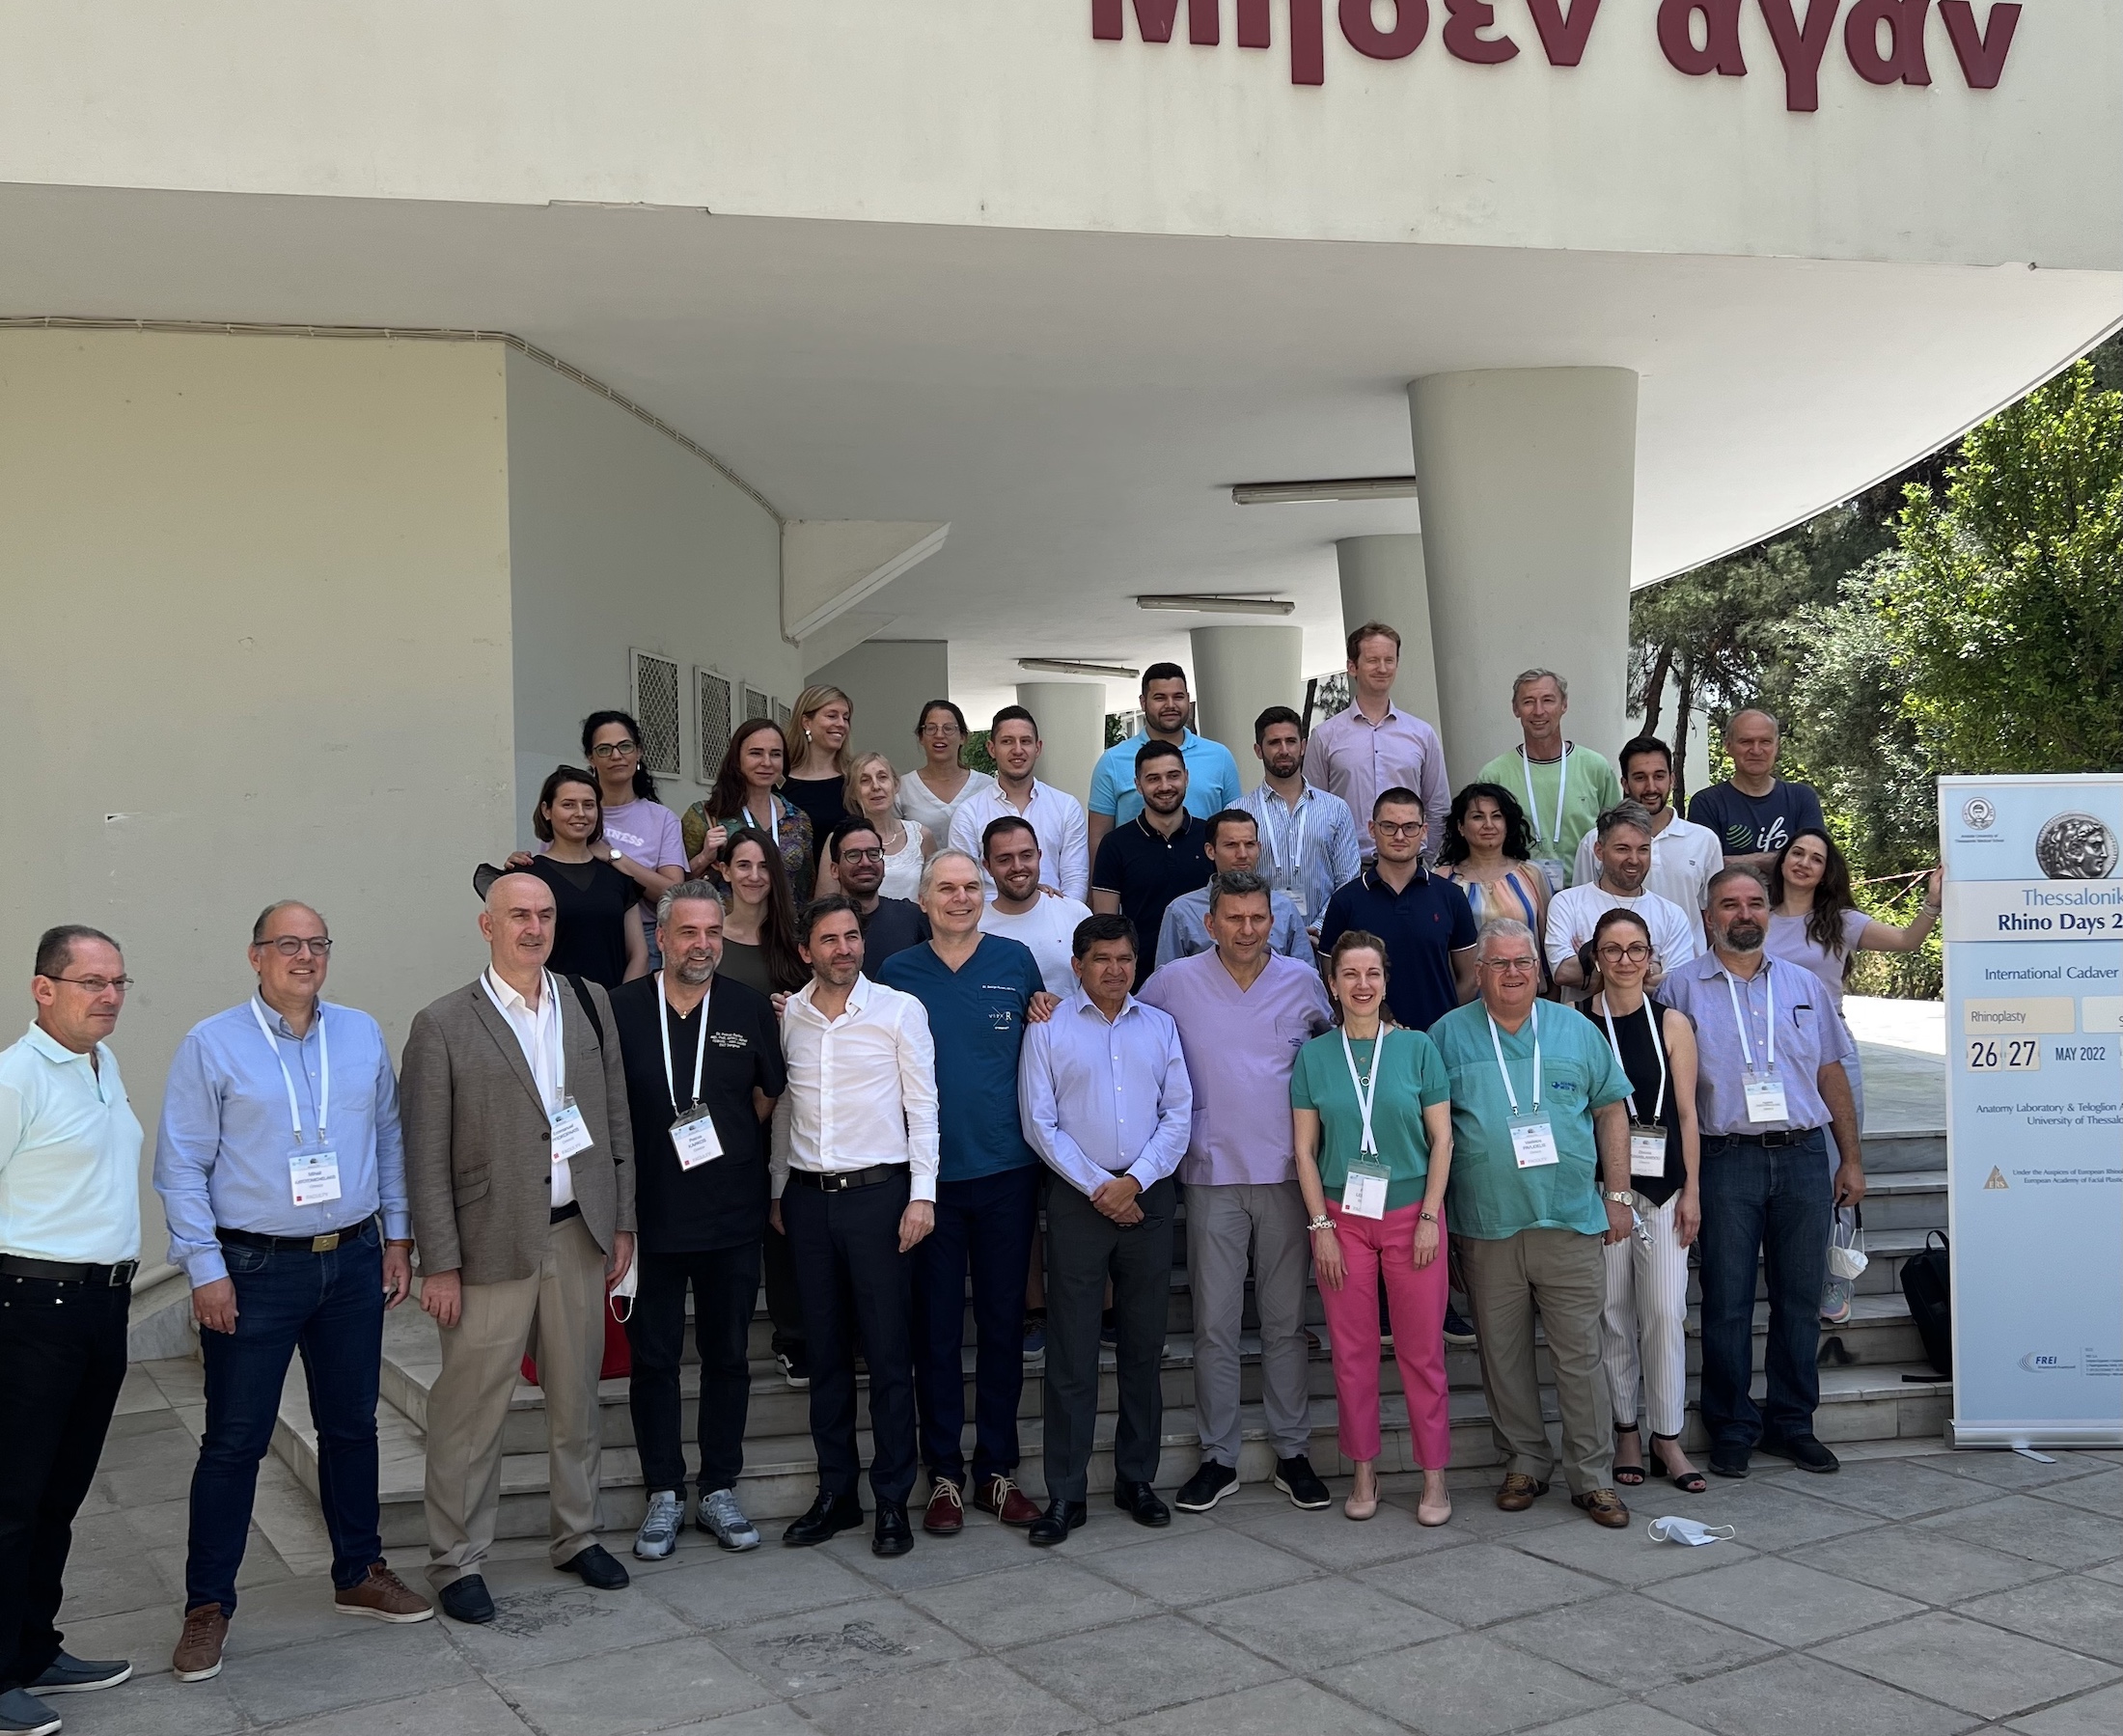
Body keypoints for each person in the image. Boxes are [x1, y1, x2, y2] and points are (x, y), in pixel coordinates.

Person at [154, 902, 429, 1684]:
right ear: (256, 955)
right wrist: (204, 1268)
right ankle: (207, 1606)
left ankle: (359, 1571)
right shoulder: (211, 1044)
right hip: (253, 1270)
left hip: (350, 1261)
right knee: (234, 1441)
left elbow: (387, 1139)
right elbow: (180, 1166)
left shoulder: (361, 1033)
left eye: (316, 944)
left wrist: (398, 1237)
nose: (304, 956)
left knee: (352, 1427)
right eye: (288, 944)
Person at [400, 873, 637, 1624]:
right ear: (487, 925)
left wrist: (622, 1221)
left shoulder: (589, 1003)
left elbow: (617, 1120)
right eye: (518, 915)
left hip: (578, 1234)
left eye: (544, 914)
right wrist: (438, 1261)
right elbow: (423, 1153)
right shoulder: (441, 1023)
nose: (533, 927)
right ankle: (457, 1557)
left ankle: (577, 1533)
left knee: (577, 1400)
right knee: (471, 1410)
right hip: (487, 1245)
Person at [1429, 919, 1636, 1529]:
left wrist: (1618, 1195)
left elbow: (1610, 1110)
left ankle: (1593, 1477)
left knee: (1581, 1357)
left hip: (1571, 1220)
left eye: (1523, 962)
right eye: (1499, 964)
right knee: (1504, 1356)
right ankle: (1524, 1460)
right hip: (1487, 1227)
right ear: (1481, 972)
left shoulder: (1576, 1030)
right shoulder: (1447, 1037)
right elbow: (1429, 1131)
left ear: (1538, 971)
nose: (1513, 973)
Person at [1140, 871, 1335, 1513]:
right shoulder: (1173, 983)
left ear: (1274, 921)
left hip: (1286, 1176)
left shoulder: (1303, 982)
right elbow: (1131, 1037)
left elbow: (1335, 1059)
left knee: (1284, 1324)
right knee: (1215, 1325)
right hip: (1210, 1174)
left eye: (1259, 917)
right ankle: (1218, 1456)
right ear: (1211, 922)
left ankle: (1292, 1449)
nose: (1248, 929)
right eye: (1235, 917)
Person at [1664, 867, 1864, 1479]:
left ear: (1769, 914)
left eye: (1754, 903)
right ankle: (1730, 1425)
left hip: (1804, 1156)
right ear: (1708, 917)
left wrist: (1850, 1157)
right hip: (1727, 1162)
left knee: (1799, 1300)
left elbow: (1832, 1073)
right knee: (1725, 1302)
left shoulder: (1805, 985)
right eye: (1730, 904)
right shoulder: (1678, 990)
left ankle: (1791, 1423)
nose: (1744, 914)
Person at [880, 854, 1053, 1535]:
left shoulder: (1016, 963)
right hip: (929, 1185)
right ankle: (944, 1474)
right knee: (938, 1331)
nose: (960, 897)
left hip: (1008, 1173)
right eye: (946, 888)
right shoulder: (897, 973)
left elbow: (1045, 1049)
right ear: (922, 900)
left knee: (1006, 1326)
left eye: (970, 887)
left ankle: (997, 1470)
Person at [612, 880, 786, 1559]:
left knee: (728, 1356)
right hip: (650, 1218)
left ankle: (718, 1484)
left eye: (713, 932)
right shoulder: (621, 1008)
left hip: (730, 1218)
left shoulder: (745, 1006)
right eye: (688, 932)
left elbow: (768, 1090)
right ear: (661, 936)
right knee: (653, 1360)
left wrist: (735, 1139)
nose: (703, 944)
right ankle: (663, 1490)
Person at [0, 927, 142, 1732]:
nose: (110, 995)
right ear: (42, 988)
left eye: (118, 980)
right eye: (91, 981)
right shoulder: (17, 1077)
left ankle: (33, 1645)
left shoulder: (100, 1064)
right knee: (12, 1499)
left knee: (59, 1493)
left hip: (101, 1306)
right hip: (30, 1308)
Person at [771, 896, 939, 1557]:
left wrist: (922, 1196)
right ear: (807, 949)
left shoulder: (899, 1010)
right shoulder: (792, 1019)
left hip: (881, 1198)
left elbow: (923, 1106)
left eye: (851, 936)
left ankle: (893, 1497)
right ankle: (837, 1493)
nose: (843, 948)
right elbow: (784, 1108)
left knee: (891, 1355)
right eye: (828, 939)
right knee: (827, 1357)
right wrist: (777, 1187)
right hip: (809, 1201)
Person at [1018, 914, 1191, 1545]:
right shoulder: (1048, 1027)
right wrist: (1100, 1185)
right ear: (1078, 962)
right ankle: (1065, 1492)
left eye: (1125, 957)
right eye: (1101, 959)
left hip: (1146, 1197)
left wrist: (1135, 1180)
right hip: (1076, 1198)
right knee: (1071, 1353)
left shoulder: (1161, 1026)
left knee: (1144, 1347)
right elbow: (1040, 1121)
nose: (1115, 969)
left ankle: (1135, 1478)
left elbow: (1178, 1113)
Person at [1291, 932, 1455, 1526]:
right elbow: (1306, 1152)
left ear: (1387, 981)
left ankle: (1434, 1476)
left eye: (1373, 974)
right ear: (1332, 985)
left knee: (1422, 1352)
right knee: (1354, 1354)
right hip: (1342, 1221)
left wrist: (1432, 1217)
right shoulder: (1314, 1057)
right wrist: (1321, 1227)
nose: (1362, 985)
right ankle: (1364, 1469)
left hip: (1413, 1219)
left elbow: (1443, 1140)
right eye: (1349, 975)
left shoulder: (1417, 1051)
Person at [1581, 909, 1706, 1496]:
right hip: (1602, 1196)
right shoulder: (1578, 1022)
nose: (1625, 960)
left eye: (1636, 949)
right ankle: (1625, 1428)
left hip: (1663, 1190)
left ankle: (1667, 1434)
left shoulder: (1673, 1023)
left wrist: (1693, 1193)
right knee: (1611, 1316)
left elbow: (1687, 1114)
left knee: (1662, 1313)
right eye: (1613, 950)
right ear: (1597, 958)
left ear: (1651, 956)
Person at [1769, 828, 1942, 1133]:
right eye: (1797, 853)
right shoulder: (1758, 920)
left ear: (1825, 873)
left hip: (1829, 1038)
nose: (1804, 863)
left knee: (1843, 1144)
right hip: (1773, 1043)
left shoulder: (1842, 921)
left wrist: (1932, 902)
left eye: (1816, 859)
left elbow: (1906, 940)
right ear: (1783, 861)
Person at [1319, 788, 1478, 1033]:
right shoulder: (1345, 901)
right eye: (1389, 826)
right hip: (1368, 1040)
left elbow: (1469, 977)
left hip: (1438, 1041)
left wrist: (1444, 1024)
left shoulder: (1450, 897)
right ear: (1372, 829)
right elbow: (1332, 980)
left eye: (1410, 827)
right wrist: (1373, 1026)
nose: (1400, 836)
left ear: (1424, 831)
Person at [1302, 622, 1450, 858]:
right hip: (1350, 869)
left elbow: (1437, 806)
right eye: (1372, 660)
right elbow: (1313, 810)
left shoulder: (1422, 734)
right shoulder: (1325, 736)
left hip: (1412, 868)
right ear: (1352, 667)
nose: (1382, 668)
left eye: (1389, 660)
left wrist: (1429, 860)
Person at [1475, 670, 1623, 892]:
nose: (1538, 711)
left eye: (1548, 700)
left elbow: (1617, 833)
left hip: (1586, 893)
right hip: (1517, 896)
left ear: (1564, 705)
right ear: (1516, 709)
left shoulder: (1596, 768)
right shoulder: (1494, 775)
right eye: (1528, 702)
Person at [1572, 736, 1722, 949]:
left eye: (1659, 776)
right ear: (1625, 783)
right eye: (1640, 777)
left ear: (1672, 779)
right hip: (1616, 970)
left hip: (1683, 972)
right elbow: (1582, 909)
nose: (1651, 787)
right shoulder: (1594, 841)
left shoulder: (1704, 841)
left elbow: (1713, 917)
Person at [1090, 740, 1210, 990]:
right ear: (1138, 784)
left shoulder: (1211, 838)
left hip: (1209, 979)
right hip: (1142, 983)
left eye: (1173, 776)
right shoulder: (1115, 845)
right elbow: (1106, 925)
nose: (1165, 786)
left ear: (1186, 778)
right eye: (1153, 778)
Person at [1087, 662, 1243, 852]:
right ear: (1143, 702)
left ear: (1188, 699)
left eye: (1178, 697)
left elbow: (1235, 829)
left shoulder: (1220, 757)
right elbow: (1098, 839)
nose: (1170, 705)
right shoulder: (1111, 761)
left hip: (1206, 875)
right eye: (1160, 698)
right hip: (1136, 876)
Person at [1545, 802, 1698, 996]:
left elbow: (1676, 986)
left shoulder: (1671, 914)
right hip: (1583, 1023)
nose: (1634, 859)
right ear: (1599, 851)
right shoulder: (1567, 903)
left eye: (1643, 849)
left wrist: (1590, 960)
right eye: (1623, 849)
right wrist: (1650, 968)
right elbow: (1563, 972)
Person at [571, 710, 688, 959]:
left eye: (624, 746)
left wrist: (613, 857)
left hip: (647, 939)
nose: (616, 756)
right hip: (582, 933)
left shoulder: (662, 818)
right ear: (590, 758)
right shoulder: (573, 813)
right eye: (604, 749)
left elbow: (672, 893)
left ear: (638, 752)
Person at [519, 767, 649, 988]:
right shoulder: (527, 878)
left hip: (610, 1009)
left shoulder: (617, 878)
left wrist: (620, 1005)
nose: (580, 813)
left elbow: (639, 954)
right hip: (549, 1011)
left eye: (588, 805)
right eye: (568, 804)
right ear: (547, 810)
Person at [1239, 705, 1362, 935]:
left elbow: (1348, 881)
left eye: (1291, 741)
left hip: (1326, 939)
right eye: (1274, 743)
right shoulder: (1239, 812)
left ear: (1303, 746)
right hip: (1261, 942)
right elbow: (1234, 883)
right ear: (1258, 750)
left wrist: (1320, 927)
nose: (1284, 750)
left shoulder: (1336, 809)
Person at [948, 707, 1089, 903]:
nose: (1017, 750)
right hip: (990, 925)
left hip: (1055, 921)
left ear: (1037, 748)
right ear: (992, 749)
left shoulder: (1066, 807)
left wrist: (1060, 912)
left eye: (1025, 741)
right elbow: (964, 881)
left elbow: (1076, 879)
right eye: (1007, 741)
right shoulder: (969, 813)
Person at [1154, 809, 1311, 969]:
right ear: (1210, 851)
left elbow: (1306, 976)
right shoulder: (1182, 911)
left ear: (1259, 848)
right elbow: (1166, 983)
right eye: (1231, 845)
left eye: (1249, 844)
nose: (1242, 854)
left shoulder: (1284, 907)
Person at [684, 717, 815, 902]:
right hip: (725, 927)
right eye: (756, 753)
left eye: (776, 754)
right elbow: (676, 885)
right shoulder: (706, 816)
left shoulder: (798, 820)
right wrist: (704, 857)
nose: (767, 762)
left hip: (786, 928)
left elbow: (807, 888)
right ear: (737, 758)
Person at [1688, 709, 1827, 872]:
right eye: (1746, 742)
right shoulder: (1707, 803)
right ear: (1728, 746)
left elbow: (1816, 859)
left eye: (1765, 742)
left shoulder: (1802, 798)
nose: (1756, 750)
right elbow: (1705, 868)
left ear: (1776, 746)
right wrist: (1782, 858)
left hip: (1792, 898)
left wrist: (1736, 861)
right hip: (1733, 898)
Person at [978, 816, 1093, 998]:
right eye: (1004, 859)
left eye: (1026, 855)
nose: (1017, 867)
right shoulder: (975, 924)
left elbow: (1099, 990)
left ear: (1039, 856)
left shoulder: (1075, 914)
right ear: (988, 866)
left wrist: (1063, 1008)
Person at [712, 831, 809, 1004]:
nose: (755, 876)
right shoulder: (709, 938)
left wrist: (794, 1012)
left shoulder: (797, 938)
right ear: (726, 871)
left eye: (764, 866)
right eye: (744, 865)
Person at [826, 816, 931, 969]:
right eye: (854, 855)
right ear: (834, 870)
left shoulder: (913, 918)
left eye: (874, 854)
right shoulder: (819, 925)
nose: (866, 862)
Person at [834, 753, 926, 901]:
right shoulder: (840, 839)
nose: (876, 786)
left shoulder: (921, 836)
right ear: (852, 792)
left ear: (895, 784)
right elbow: (826, 903)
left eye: (882, 777)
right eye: (865, 780)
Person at [896, 700, 979, 852]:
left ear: (963, 737)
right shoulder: (902, 788)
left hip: (976, 875)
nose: (939, 735)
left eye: (948, 728)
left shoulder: (986, 786)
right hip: (923, 875)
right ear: (921, 737)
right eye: (931, 728)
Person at [782, 684, 859, 840]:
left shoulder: (856, 777)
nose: (841, 724)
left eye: (845, 718)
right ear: (806, 722)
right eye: (832, 716)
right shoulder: (780, 781)